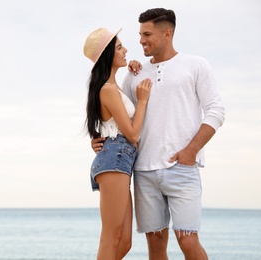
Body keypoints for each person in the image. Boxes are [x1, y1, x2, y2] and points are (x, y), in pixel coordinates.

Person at [91, 8, 225, 260]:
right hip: (144, 172)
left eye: (147, 34)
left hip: (182, 168)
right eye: (140, 34)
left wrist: (191, 151)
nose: (140, 40)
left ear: (167, 33)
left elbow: (216, 110)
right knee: (155, 246)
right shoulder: (134, 74)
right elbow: (121, 117)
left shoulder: (195, 65)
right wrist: (100, 137)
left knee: (188, 242)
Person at [83, 27, 152, 259]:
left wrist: (133, 67)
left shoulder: (115, 87)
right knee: (111, 238)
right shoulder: (108, 89)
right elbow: (132, 134)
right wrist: (142, 101)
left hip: (120, 161)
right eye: (120, 47)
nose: (126, 50)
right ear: (107, 55)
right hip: (115, 159)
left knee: (124, 243)